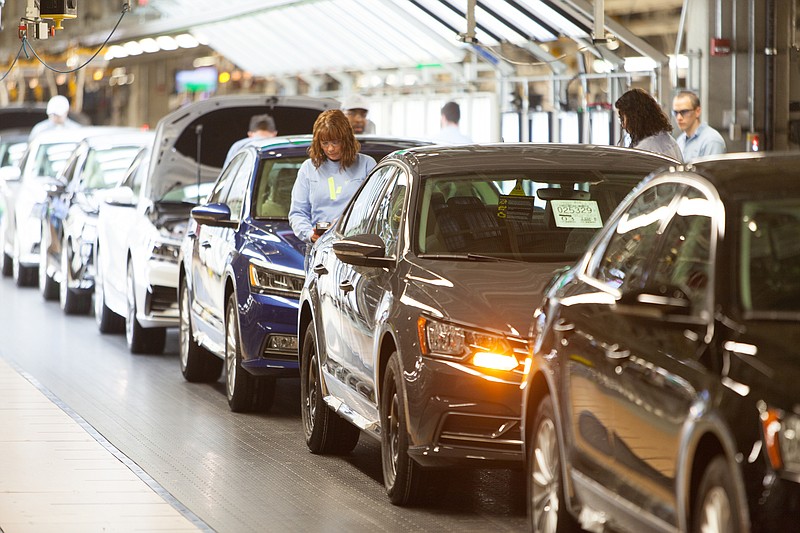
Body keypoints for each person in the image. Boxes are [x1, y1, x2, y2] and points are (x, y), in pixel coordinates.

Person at [289, 109, 376, 244]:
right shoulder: (308, 168)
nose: (330, 149)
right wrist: (310, 234)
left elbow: (374, 209)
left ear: (346, 140)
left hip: (356, 245)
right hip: (320, 246)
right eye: (325, 143)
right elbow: (297, 213)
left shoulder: (366, 164)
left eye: (335, 142)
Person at [615, 88, 683, 162]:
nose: (623, 125)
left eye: (622, 119)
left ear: (634, 118)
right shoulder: (670, 141)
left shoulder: (644, 151)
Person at [672, 90, 727, 161]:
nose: (679, 117)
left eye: (684, 112)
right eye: (675, 112)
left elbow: (711, 171)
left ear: (697, 111)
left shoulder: (711, 141)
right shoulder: (680, 141)